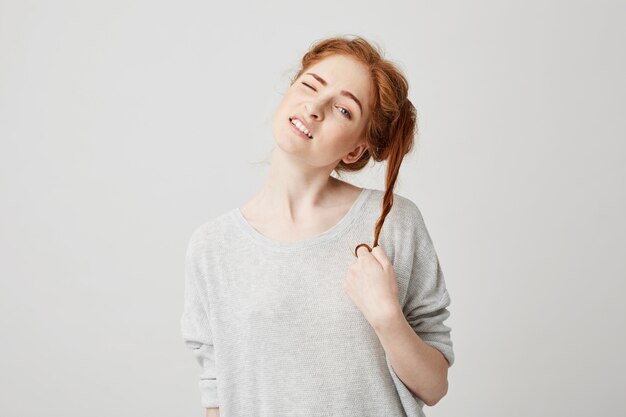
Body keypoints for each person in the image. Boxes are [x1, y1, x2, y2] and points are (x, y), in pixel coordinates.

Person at [180, 35, 455, 417]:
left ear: (355, 150)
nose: (315, 108)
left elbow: (434, 385)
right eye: (310, 85)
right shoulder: (212, 246)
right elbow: (218, 396)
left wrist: (387, 317)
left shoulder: (392, 224)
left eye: (344, 110)